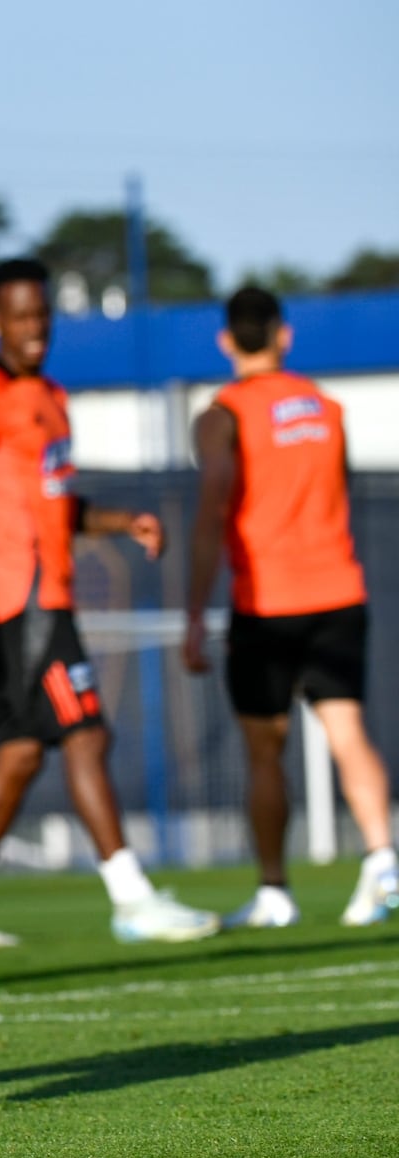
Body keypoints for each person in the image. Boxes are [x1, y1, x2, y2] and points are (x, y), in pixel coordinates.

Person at [0, 259, 218, 949]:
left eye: (41, 316)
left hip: (50, 596)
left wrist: (120, 522)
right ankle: (133, 897)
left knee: (23, 752)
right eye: (19, 317)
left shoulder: (52, 395)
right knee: (86, 734)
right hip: (19, 602)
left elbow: (52, 502)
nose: (33, 329)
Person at [184, 286, 398, 928]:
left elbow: (214, 508)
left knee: (264, 751)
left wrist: (195, 611)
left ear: (226, 341)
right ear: (284, 334)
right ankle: (383, 859)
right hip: (338, 591)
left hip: (267, 601)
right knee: (347, 730)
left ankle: (275, 891)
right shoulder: (327, 408)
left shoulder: (222, 414)